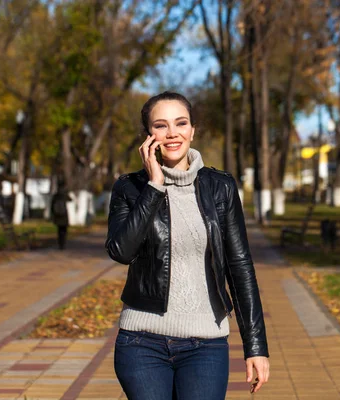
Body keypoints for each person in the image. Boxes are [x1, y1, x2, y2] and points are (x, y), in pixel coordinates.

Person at [105, 91, 270, 400]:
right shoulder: (130, 188)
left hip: (206, 344)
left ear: (193, 130)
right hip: (142, 343)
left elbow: (240, 267)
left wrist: (256, 347)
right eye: (160, 125)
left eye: (180, 123)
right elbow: (121, 251)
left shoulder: (220, 187)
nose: (172, 133)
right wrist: (153, 188)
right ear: (148, 135)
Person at [51, 182, 70, 250]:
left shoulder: (56, 196)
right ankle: (63, 243)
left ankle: (60, 243)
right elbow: (70, 200)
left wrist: (53, 215)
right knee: (64, 231)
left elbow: (52, 206)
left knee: (59, 231)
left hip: (58, 217)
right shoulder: (64, 195)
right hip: (64, 216)